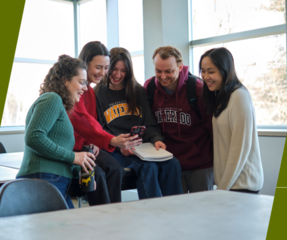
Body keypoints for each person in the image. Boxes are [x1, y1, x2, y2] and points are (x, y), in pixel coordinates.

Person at [95, 47, 183, 199]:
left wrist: (157, 140)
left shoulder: (138, 91)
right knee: (147, 167)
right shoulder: (98, 93)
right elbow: (100, 129)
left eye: (123, 70)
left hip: (142, 147)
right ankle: (152, 214)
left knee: (172, 164)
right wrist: (118, 144)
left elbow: (150, 124)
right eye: (114, 69)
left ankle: (175, 211)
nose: (118, 74)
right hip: (116, 149)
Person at [17, 55, 96, 208]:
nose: (85, 88)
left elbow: (55, 154)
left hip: (52, 180)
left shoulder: (57, 105)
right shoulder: (52, 99)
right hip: (44, 179)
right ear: (65, 80)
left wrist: (76, 170)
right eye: (81, 82)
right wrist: (73, 157)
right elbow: (34, 137)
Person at [68, 41, 142, 205]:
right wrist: (110, 140)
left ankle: (114, 214)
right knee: (99, 175)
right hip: (72, 148)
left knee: (115, 168)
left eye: (106, 67)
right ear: (86, 64)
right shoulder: (75, 88)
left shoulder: (91, 91)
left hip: (88, 147)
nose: (103, 72)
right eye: (98, 67)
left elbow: (93, 122)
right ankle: (102, 218)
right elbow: (81, 120)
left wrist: (95, 143)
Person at [144, 46, 214, 193]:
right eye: (158, 71)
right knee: (175, 212)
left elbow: (212, 128)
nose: (163, 76)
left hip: (200, 164)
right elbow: (148, 124)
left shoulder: (197, 88)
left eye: (169, 71)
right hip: (169, 163)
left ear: (180, 67)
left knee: (202, 211)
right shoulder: (149, 88)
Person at [199, 47, 264, 194]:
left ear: (225, 70)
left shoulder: (239, 96)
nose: (205, 76)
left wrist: (222, 189)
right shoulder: (220, 97)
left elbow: (239, 150)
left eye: (211, 71)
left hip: (242, 185)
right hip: (230, 185)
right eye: (203, 71)